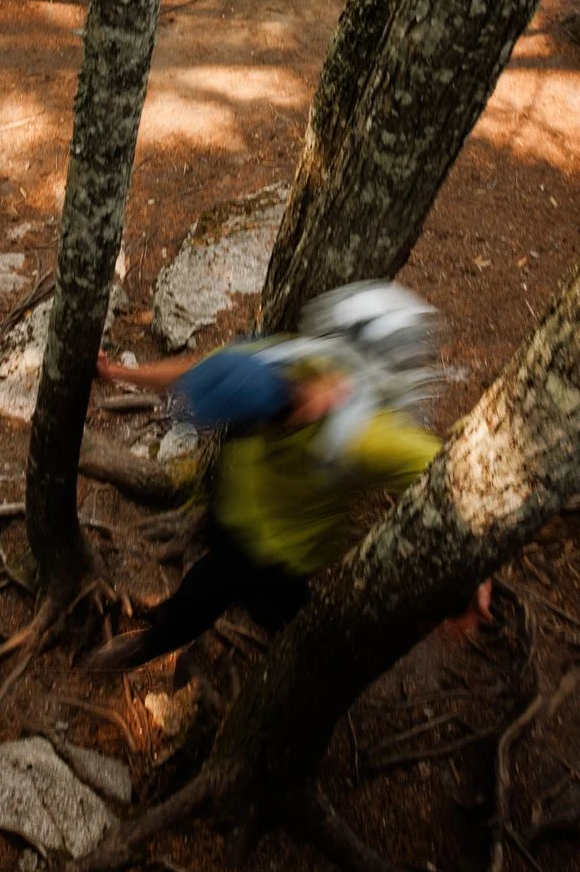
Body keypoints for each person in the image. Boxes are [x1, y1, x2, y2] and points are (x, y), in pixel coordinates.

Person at [84, 282, 490, 673]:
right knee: (200, 598)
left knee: (288, 619)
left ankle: (292, 663)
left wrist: (478, 569)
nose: (309, 397)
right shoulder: (284, 363)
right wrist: (117, 372)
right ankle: (153, 642)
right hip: (234, 520)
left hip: (282, 556)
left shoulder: (369, 438)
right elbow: (199, 371)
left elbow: (459, 475)